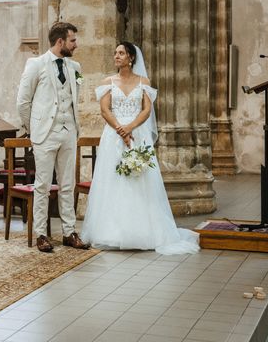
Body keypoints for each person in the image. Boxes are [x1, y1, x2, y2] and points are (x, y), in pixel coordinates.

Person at [80, 42, 199, 255]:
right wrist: (120, 129)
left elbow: (146, 110)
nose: (116, 56)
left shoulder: (143, 82)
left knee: (140, 181)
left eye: (121, 53)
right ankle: (111, 232)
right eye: (115, 52)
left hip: (137, 133)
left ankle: (143, 231)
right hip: (114, 136)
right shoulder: (108, 82)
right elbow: (105, 109)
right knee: (114, 181)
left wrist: (130, 127)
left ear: (131, 58)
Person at [17, 22, 89, 252]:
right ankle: (41, 234)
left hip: (68, 132)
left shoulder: (75, 67)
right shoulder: (36, 64)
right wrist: (33, 129)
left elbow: (75, 97)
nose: (76, 44)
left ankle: (69, 232)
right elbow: (23, 101)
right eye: (72, 40)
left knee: (68, 184)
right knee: (43, 186)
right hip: (44, 134)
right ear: (60, 42)